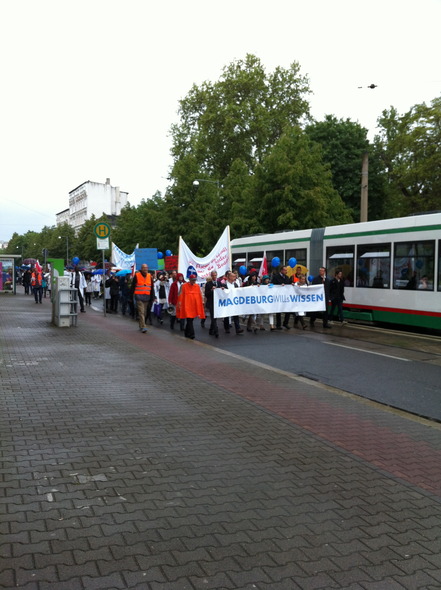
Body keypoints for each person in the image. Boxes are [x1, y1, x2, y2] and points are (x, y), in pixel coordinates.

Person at [176, 274, 206, 339]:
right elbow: (180, 295)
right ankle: (192, 334)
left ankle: (187, 333)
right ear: (189, 279)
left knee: (191, 320)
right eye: (192, 280)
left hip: (193, 306)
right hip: (186, 306)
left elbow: (200, 295)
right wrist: (179, 304)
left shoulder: (197, 286)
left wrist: (202, 302)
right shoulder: (183, 286)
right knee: (189, 319)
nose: (194, 281)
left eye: (194, 280)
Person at [130, 264, 153, 333]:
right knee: (141, 312)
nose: (145, 269)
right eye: (144, 268)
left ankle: (141, 325)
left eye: (146, 268)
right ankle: (143, 326)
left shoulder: (150, 276)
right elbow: (133, 286)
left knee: (144, 312)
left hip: (147, 297)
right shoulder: (137, 275)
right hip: (139, 297)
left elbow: (152, 288)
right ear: (141, 268)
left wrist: (152, 297)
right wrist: (131, 296)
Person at [271, 265, 293, 329]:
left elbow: (288, 284)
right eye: (285, 270)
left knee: (288, 310)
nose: (286, 271)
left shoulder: (287, 277)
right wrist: (279, 285)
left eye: (286, 270)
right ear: (281, 270)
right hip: (278, 296)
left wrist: (291, 284)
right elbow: (272, 285)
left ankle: (285, 323)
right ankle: (278, 324)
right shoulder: (276, 277)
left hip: (286, 296)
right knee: (279, 310)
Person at [204, 270, 222, 338]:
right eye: (213, 275)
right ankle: (216, 331)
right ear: (211, 276)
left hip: (217, 303)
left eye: (215, 275)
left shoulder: (219, 283)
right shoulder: (208, 284)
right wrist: (211, 290)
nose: (214, 277)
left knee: (215, 317)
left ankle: (211, 330)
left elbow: (223, 290)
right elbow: (206, 294)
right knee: (213, 317)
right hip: (211, 303)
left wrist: (222, 289)